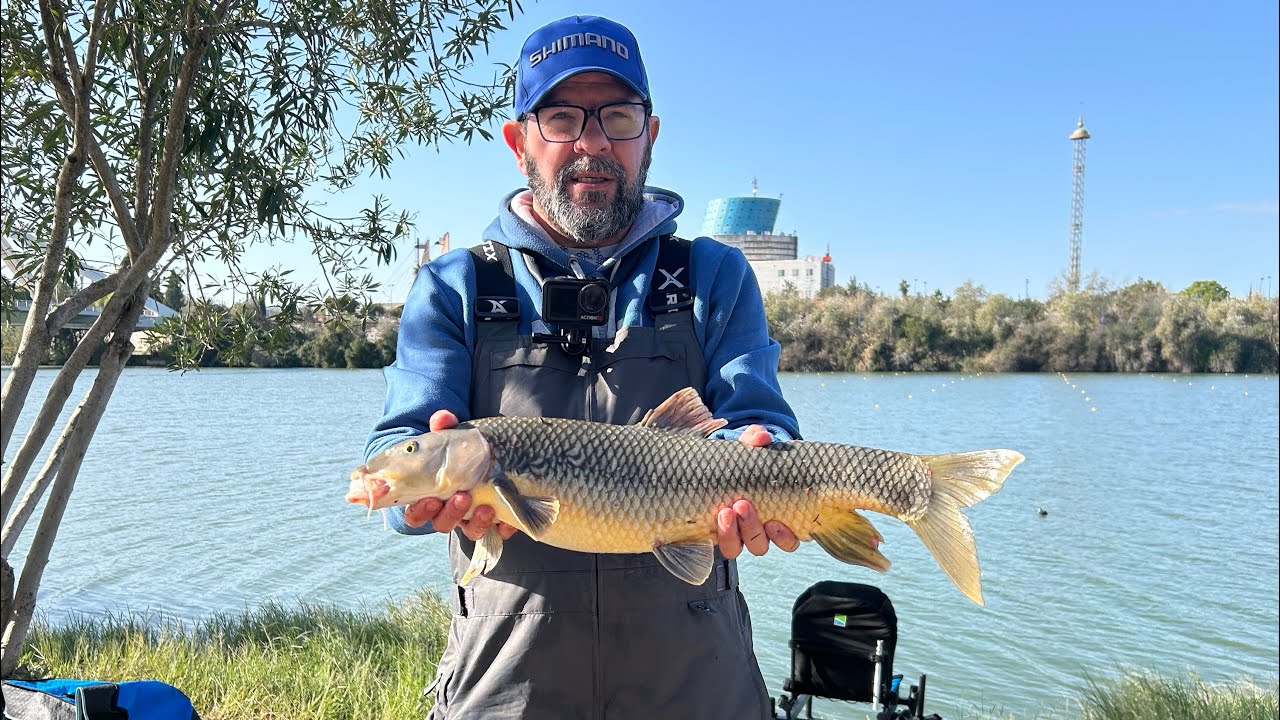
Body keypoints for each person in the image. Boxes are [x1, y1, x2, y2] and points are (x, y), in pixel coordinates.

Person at [364, 14, 802, 719]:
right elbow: (396, 453)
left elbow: (762, 425)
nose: (592, 143)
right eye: (563, 117)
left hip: (698, 686)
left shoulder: (714, 275)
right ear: (519, 142)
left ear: (649, 136)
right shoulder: (455, 286)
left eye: (618, 117)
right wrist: (418, 498)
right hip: (507, 686)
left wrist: (756, 459)